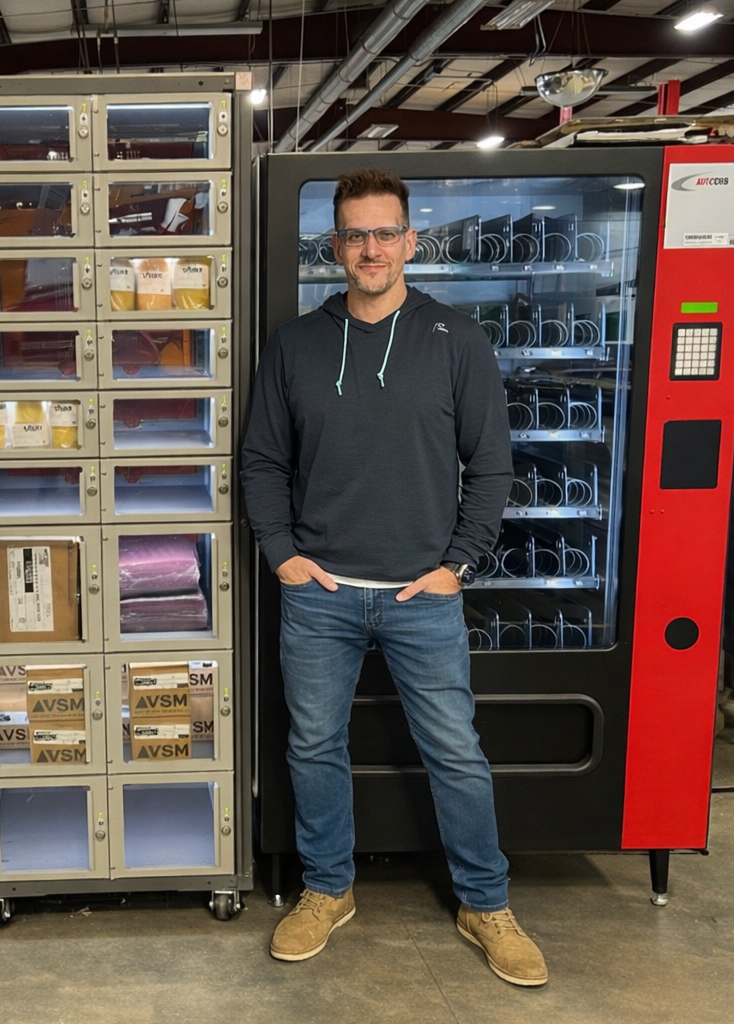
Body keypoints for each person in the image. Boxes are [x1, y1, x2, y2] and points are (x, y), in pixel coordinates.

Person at [240, 169, 546, 986]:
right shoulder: (296, 344)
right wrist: (283, 555)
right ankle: (327, 891)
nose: (369, 249)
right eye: (354, 234)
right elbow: (263, 461)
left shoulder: (456, 338)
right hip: (321, 597)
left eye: (384, 234)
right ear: (334, 245)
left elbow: (491, 466)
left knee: (455, 752)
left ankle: (486, 904)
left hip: (422, 598)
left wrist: (459, 566)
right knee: (313, 746)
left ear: (411, 241)